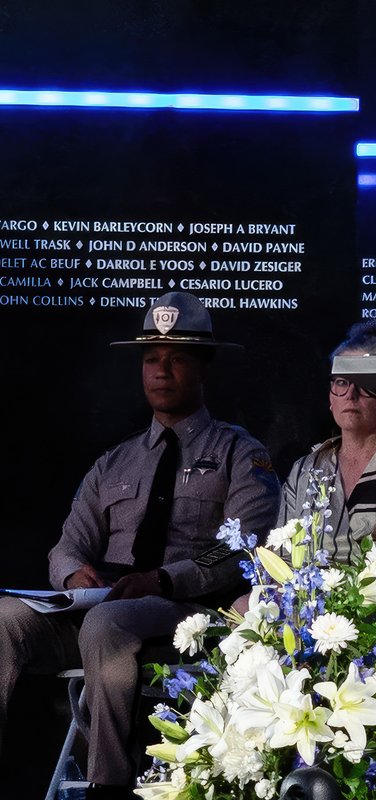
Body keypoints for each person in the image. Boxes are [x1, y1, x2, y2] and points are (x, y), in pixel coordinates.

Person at [0, 292, 280, 799]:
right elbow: (65, 547)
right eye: (151, 360)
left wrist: (165, 578)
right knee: (4, 619)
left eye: (176, 360)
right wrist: (72, 576)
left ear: (202, 369)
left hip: (187, 614)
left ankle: (108, 785)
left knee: (109, 623)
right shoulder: (116, 462)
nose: (161, 371)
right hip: (102, 606)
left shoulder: (241, 453)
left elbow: (244, 546)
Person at [276, 322, 376, 561]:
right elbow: (282, 556)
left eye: (364, 383)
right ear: (331, 398)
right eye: (342, 381)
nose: (351, 395)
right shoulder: (305, 469)